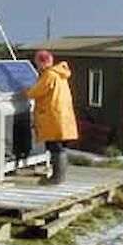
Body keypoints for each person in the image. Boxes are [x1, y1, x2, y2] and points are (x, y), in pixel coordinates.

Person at [22, 49, 79, 185]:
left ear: (41, 63)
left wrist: (24, 91)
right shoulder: (60, 75)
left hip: (53, 117)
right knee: (60, 148)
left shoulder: (49, 75)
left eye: (37, 64)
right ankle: (59, 176)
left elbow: (35, 92)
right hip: (62, 117)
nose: (37, 67)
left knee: (55, 148)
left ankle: (56, 178)